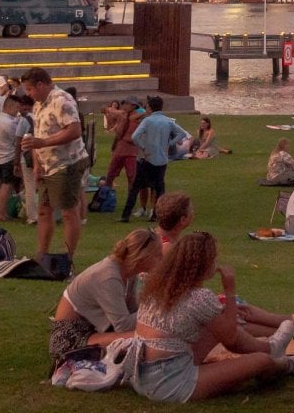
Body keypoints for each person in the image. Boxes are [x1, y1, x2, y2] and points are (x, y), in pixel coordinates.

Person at [127, 231, 294, 401]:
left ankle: (271, 348)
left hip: (142, 373)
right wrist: (229, 291)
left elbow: (222, 331)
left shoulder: (157, 286)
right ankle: (285, 364)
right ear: (203, 265)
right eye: (213, 259)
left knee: (218, 323)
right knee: (260, 361)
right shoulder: (198, 297)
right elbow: (230, 337)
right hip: (168, 384)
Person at [49, 228, 165, 370]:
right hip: (70, 337)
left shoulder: (128, 271)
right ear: (143, 257)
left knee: (151, 333)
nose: (162, 260)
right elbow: (124, 326)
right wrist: (156, 309)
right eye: (158, 256)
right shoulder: (109, 277)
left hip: (91, 330)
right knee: (143, 338)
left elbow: (133, 312)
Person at [21, 67, 89, 277]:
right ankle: (42, 255)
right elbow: (37, 133)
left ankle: (68, 259)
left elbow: (74, 130)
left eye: (30, 89)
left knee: (69, 212)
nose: (29, 94)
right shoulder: (39, 104)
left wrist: (43, 142)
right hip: (47, 165)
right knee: (44, 210)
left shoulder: (62, 99)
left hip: (66, 163)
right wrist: (37, 161)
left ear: (41, 84)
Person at [128, 95, 189, 224]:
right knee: (158, 186)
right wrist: (170, 143)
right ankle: (155, 211)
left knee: (139, 185)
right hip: (161, 158)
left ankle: (136, 211)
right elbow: (182, 134)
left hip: (146, 157)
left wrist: (144, 147)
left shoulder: (147, 121)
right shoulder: (168, 121)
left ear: (150, 107)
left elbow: (135, 137)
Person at [0, 93, 30, 219]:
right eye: (17, 108)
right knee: (7, 185)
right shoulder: (9, 123)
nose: (18, 111)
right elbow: (17, 141)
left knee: (2, 184)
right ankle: (2, 213)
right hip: (9, 157)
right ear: (10, 106)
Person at [102, 100, 141, 203]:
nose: (123, 106)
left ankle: (130, 201)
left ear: (133, 105)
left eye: (126, 104)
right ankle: (106, 198)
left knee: (131, 178)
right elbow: (112, 111)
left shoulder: (137, 118)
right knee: (110, 175)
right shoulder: (124, 114)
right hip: (120, 150)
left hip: (130, 152)